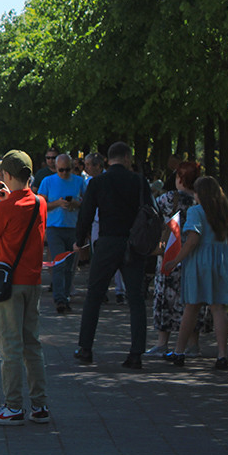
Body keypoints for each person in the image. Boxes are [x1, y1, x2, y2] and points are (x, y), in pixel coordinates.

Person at [0, 150, 50, 425]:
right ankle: (40, 406)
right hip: (33, 281)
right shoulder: (40, 203)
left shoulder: (3, 208)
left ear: (7, 175)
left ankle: (13, 406)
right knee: (32, 344)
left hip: (9, 284)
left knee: (10, 346)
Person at [73, 142, 155, 369]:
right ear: (127, 158)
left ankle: (85, 347)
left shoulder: (98, 182)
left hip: (108, 242)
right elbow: (150, 212)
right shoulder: (139, 182)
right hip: (133, 243)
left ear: (108, 160)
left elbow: (86, 214)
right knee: (136, 298)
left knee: (94, 295)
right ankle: (136, 352)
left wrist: (80, 241)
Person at [163, 176, 228, 369]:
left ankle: (179, 351)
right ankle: (222, 355)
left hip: (200, 262)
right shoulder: (226, 213)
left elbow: (192, 240)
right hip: (221, 260)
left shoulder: (195, 212)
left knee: (192, 307)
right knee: (218, 308)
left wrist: (175, 261)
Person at [147, 161, 207, 357]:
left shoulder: (167, 199)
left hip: (169, 254)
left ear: (179, 178)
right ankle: (193, 343)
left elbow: (154, 217)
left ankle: (162, 341)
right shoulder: (201, 201)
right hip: (194, 256)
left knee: (164, 297)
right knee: (191, 300)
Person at [37, 153, 86, 313]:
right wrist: (57, 203)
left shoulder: (79, 182)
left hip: (73, 228)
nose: (64, 173)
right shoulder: (48, 181)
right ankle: (60, 299)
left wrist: (75, 204)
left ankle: (65, 296)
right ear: (55, 168)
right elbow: (41, 205)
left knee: (70, 266)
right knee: (59, 263)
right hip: (54, 228)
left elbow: (86, 203)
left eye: (67, 170)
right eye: (61, 170)